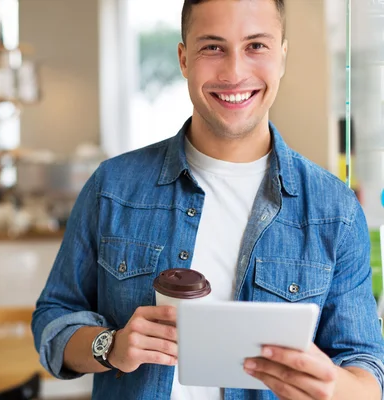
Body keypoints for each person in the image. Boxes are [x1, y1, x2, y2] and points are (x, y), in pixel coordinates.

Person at [31, 0, 384, 399]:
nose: (234, 72)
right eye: (212, 47)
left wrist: (332, 386)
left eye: (256, 46)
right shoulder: (111, 187)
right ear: (184, 58)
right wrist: (110, 346)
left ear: (282, 56)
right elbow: (53, 319)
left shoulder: (335, 210)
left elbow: (367, 372)